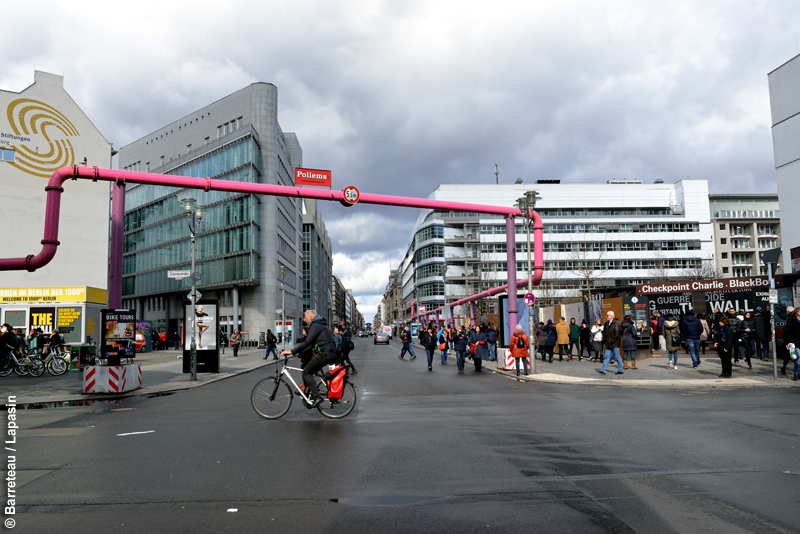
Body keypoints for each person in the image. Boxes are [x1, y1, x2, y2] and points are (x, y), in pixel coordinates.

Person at [280, 310, 336, 409]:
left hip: (326, 354)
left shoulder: (315, 325)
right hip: (328, 353)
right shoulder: (319, 324)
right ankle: (307, 392)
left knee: (306, 372)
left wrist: (292, 351)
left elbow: (307, 342)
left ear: (311, 317)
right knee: (307, 368)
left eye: (305, 317)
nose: (304, 320)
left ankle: (316, 397)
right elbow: (310, 345)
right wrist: (299, 353)